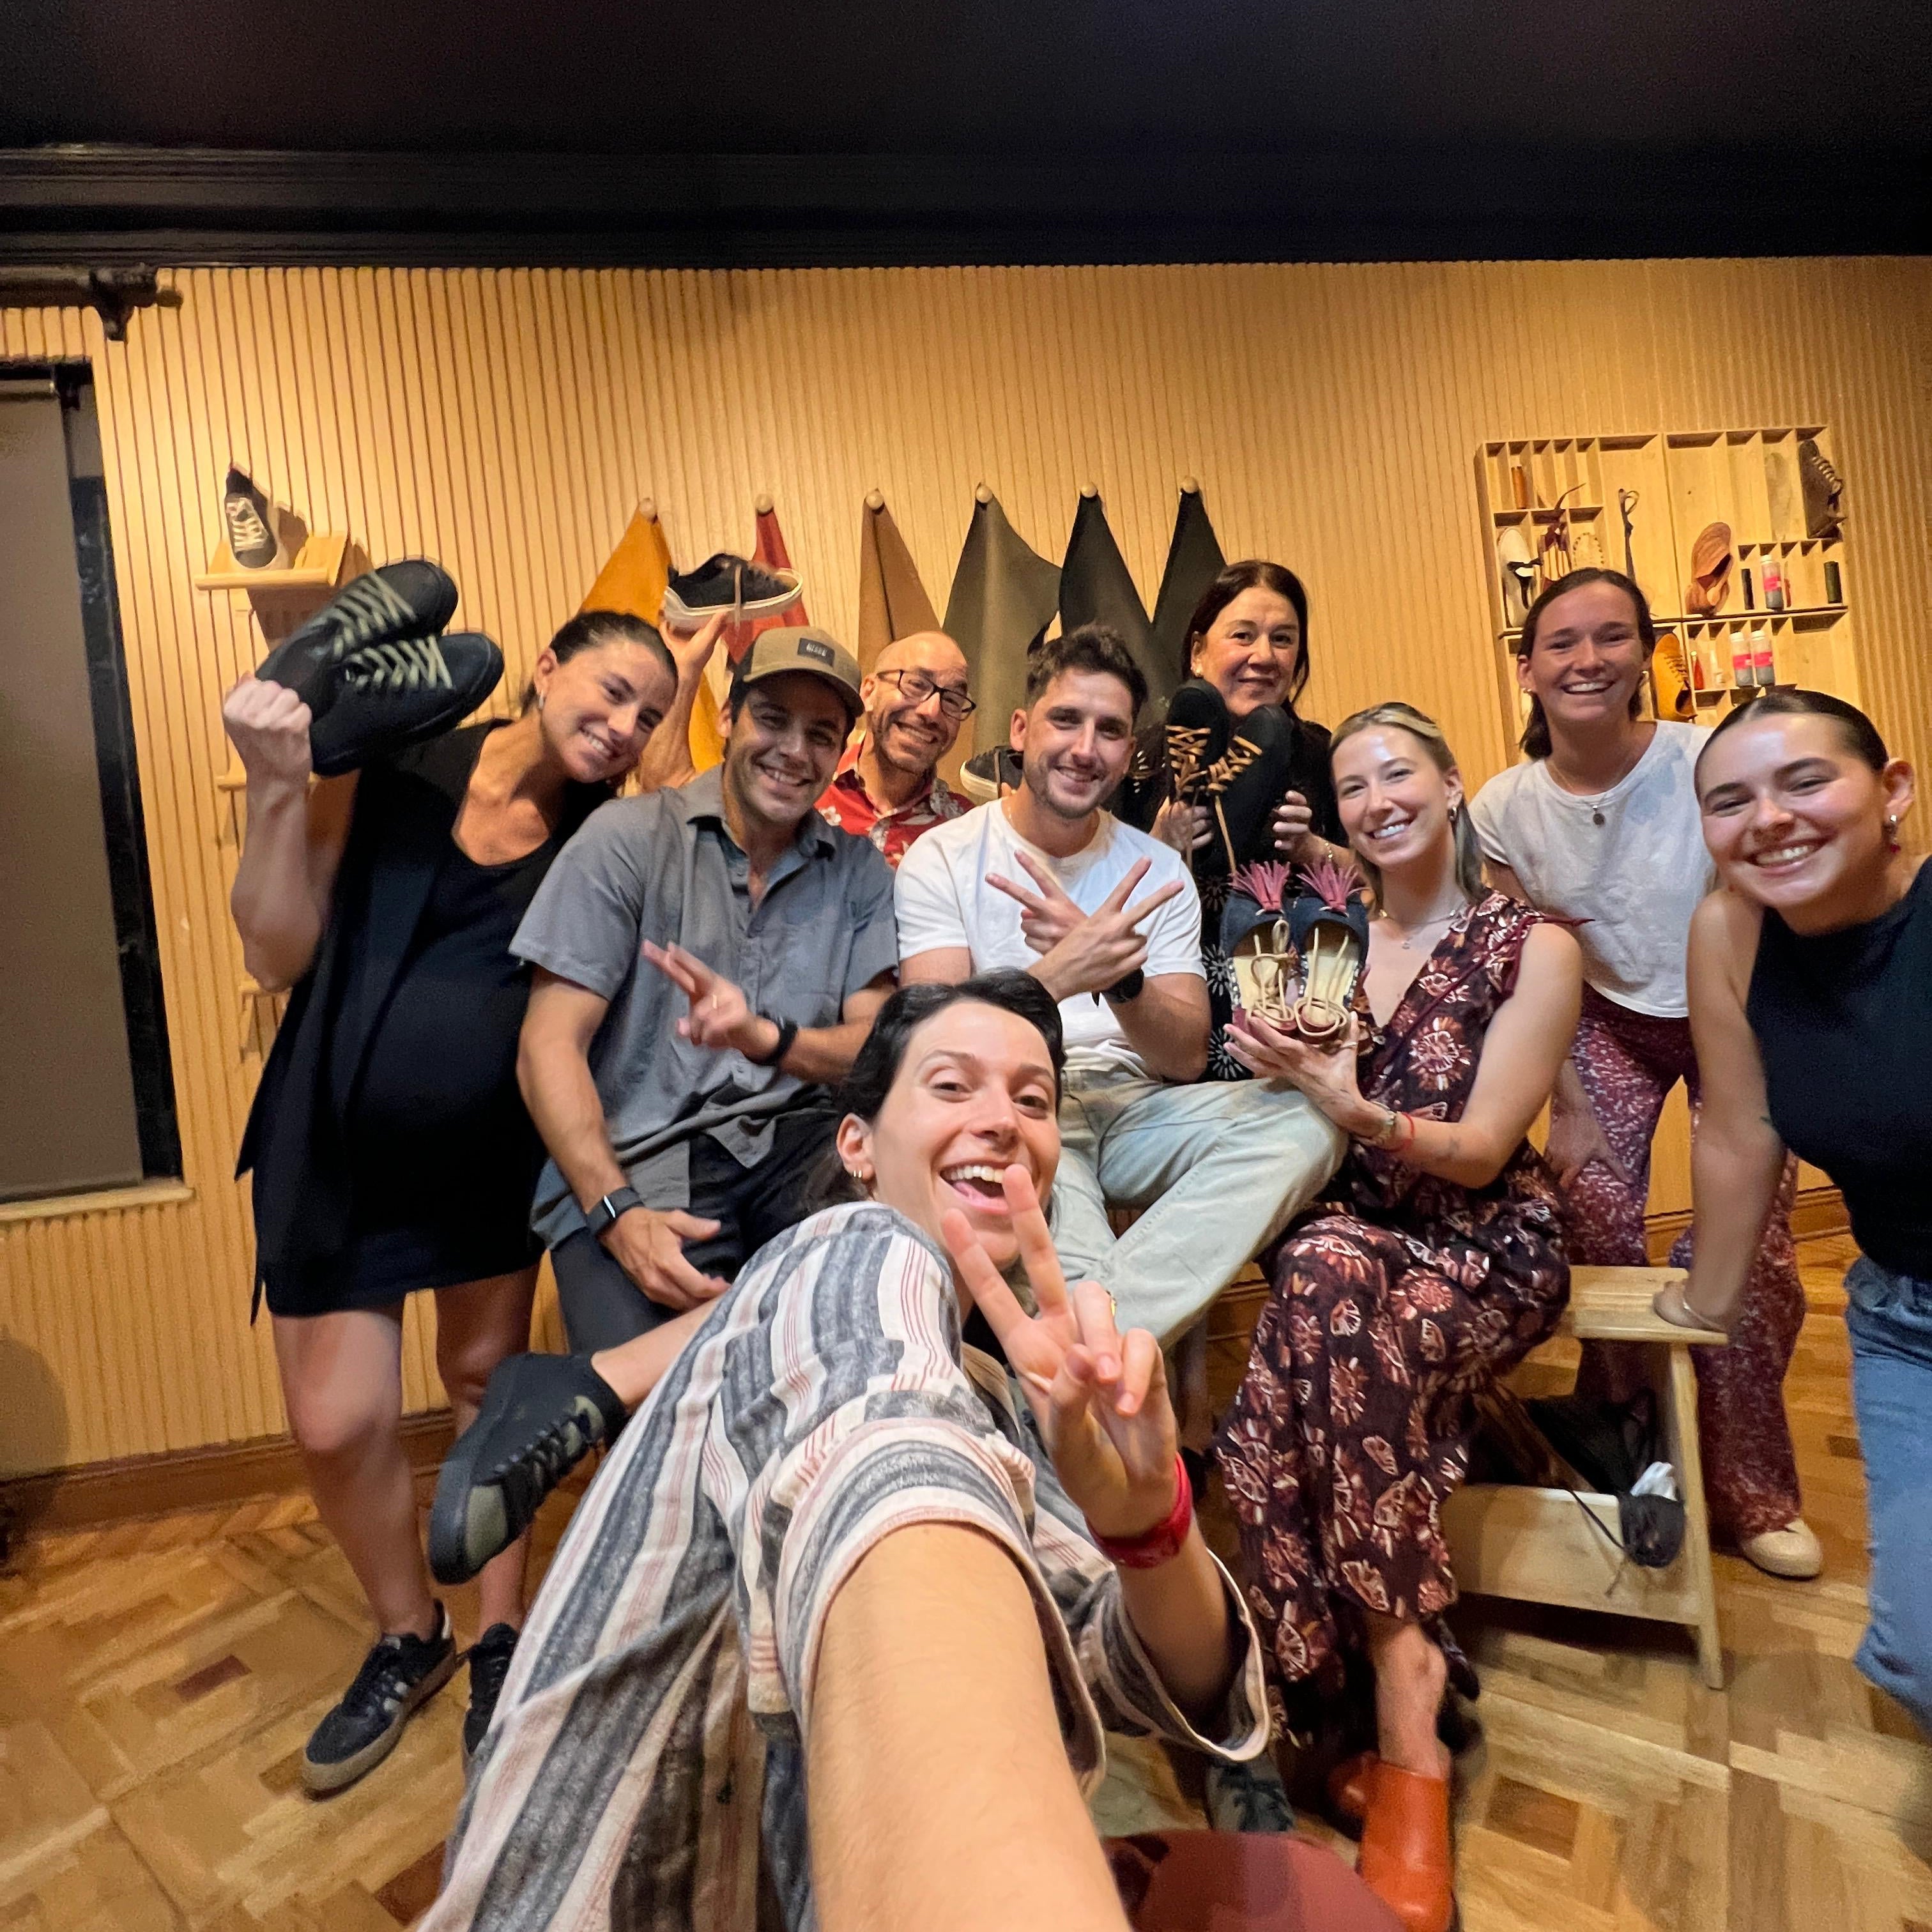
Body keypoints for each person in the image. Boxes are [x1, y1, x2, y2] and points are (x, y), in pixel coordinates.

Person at [422, 973, 1273, 1932]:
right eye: (952, 1086)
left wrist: (1149, 1524)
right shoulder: (852, 1248)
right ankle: (602, 1377)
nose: (1003, 1120)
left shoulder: (994, 1398)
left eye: (1034, 1100)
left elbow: (1144, 1671)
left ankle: (602, 1379)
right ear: (857, 1145)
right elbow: (885, 1468)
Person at [226, 608, 676, 1791]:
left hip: (491, 1163)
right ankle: (406, 1630)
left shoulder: (606, 837)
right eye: (612, 691)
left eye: (648, 715)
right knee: (335, 1423)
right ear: (545, 667)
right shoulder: (396, 753)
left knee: (485, 1388)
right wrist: (276, 785)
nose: (625, 726)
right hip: (332, 1146)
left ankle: (498, 1631)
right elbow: (275, 951)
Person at [1216, 702, 1583, 1932]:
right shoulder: (1322, 939)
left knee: (1298, 1329)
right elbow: (1294, 1123)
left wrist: (1352, 1107)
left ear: (1448, 780)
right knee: (1320, 1272)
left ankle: (1359, 1701)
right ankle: (1396, 1671)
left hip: (1483, 1244)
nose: (1376, 801)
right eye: (1353, 786)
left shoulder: (1528, 943)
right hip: (1351, 1247)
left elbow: (1479, 1148)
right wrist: (1267, 1074)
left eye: (1396, 774)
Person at [1468, 566, 1818, 1579]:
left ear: (1647, 653)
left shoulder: (1705, 761)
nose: (1588, 660)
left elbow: (1758, 903)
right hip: (1603, 1024)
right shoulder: (1503, 808)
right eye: (1562, 642)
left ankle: (1752, 1492)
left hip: (1733, 1013)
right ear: (1527, 668)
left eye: (1612, 637)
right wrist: (1565, 1102)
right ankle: (1623, 1435)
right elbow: (1525, 965)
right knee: (1595, 1213)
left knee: (1746, 1250)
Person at [893, 622, 1346, 1352]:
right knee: (1061, 1241)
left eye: (1109, 731)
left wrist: (1122, 977)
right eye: (1066, 720)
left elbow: (1184, 1059)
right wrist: (1060, 974)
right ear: (1021, 729)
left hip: (1138, 1106)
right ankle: (1107, 1343)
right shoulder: (943, 857)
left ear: (1129, 749)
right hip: (1023, 1106)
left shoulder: (1155, 868)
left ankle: (1096, 1332)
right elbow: (930, 1040)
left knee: (1311, 1119)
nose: (1086, 748)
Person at [507, 626, 898, 1361]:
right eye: (773, 720)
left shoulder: (859, 872)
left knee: (873, 1347)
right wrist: (618, 1214)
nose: (794, 751)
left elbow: (875, 1047)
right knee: (659, 1395)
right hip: (641, 1160)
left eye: (821, 735)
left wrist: (769, 1039)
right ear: (726, 717)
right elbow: (546, 1048)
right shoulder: (625, 840)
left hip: (803, 1151)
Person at [1660, 691, 1929, 1728]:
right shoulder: (1729, 932)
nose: (1767, 819)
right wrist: (1704, 1301)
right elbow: (1737, 1129)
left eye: (1804, 782)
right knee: (1919, 1659)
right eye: (1729, 801)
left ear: (1892, 789)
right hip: (1903, 1318)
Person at [1114, 560, 1346, 1078]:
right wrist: (1160, 844)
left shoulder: (1323, 754)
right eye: (1243, 635)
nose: (1264, 656)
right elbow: (1099, 894)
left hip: (1294, 1007)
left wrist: (1313, 850)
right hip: (1170, 1013)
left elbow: (1381, 884)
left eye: (1283, 639)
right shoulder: (1140, 759)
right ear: (1198, 652)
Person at [817, 629, 972, 864]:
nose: (931, 712)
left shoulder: (967, 831)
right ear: (869, 692)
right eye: (916, 685)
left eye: (951, 700)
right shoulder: (806, 792)